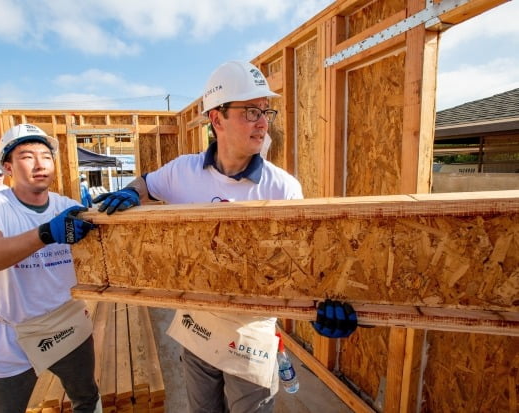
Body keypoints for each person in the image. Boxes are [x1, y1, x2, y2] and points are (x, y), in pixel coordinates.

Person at [93, 61, 358, 413]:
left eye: (265, 111)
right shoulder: (182, 171)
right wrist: (131, 192)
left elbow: (302, 263)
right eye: (250, 111)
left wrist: (323, 306)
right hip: (197, 326)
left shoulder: (281, 187)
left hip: (250, 335)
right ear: (216, 119)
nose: (263, 121)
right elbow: (146, 183)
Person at [0, 123, 102, 413]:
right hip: (13, 335)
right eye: (26, 156)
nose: (39, 164)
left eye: (45, 156)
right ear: (8, 167)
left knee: (86, 400)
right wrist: (45, 233)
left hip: (68, 323)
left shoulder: (67, 206)